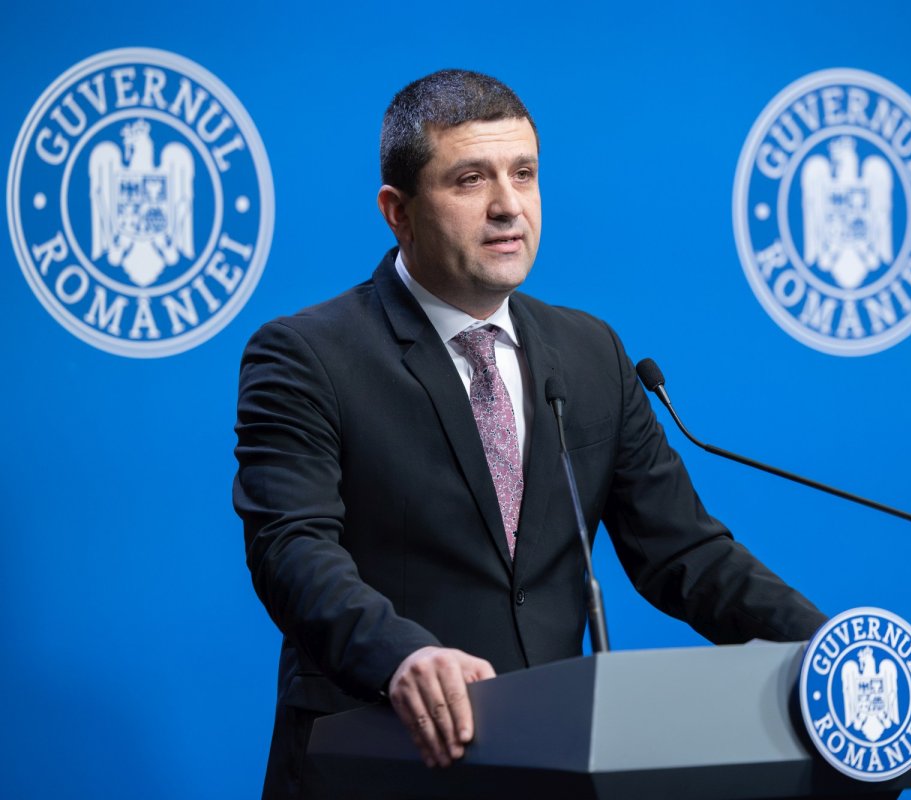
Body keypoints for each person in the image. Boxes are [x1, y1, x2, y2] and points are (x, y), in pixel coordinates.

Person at [233, 69, 827, 800]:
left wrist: (829, 650)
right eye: (470, 180)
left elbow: (686, 554)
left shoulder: (590, 352)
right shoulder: (308, 355)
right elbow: (291, 548)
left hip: (548, 765)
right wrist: (401, 658)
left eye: (524, 174)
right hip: (377, 762)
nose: (508, 206)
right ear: (398, 211)